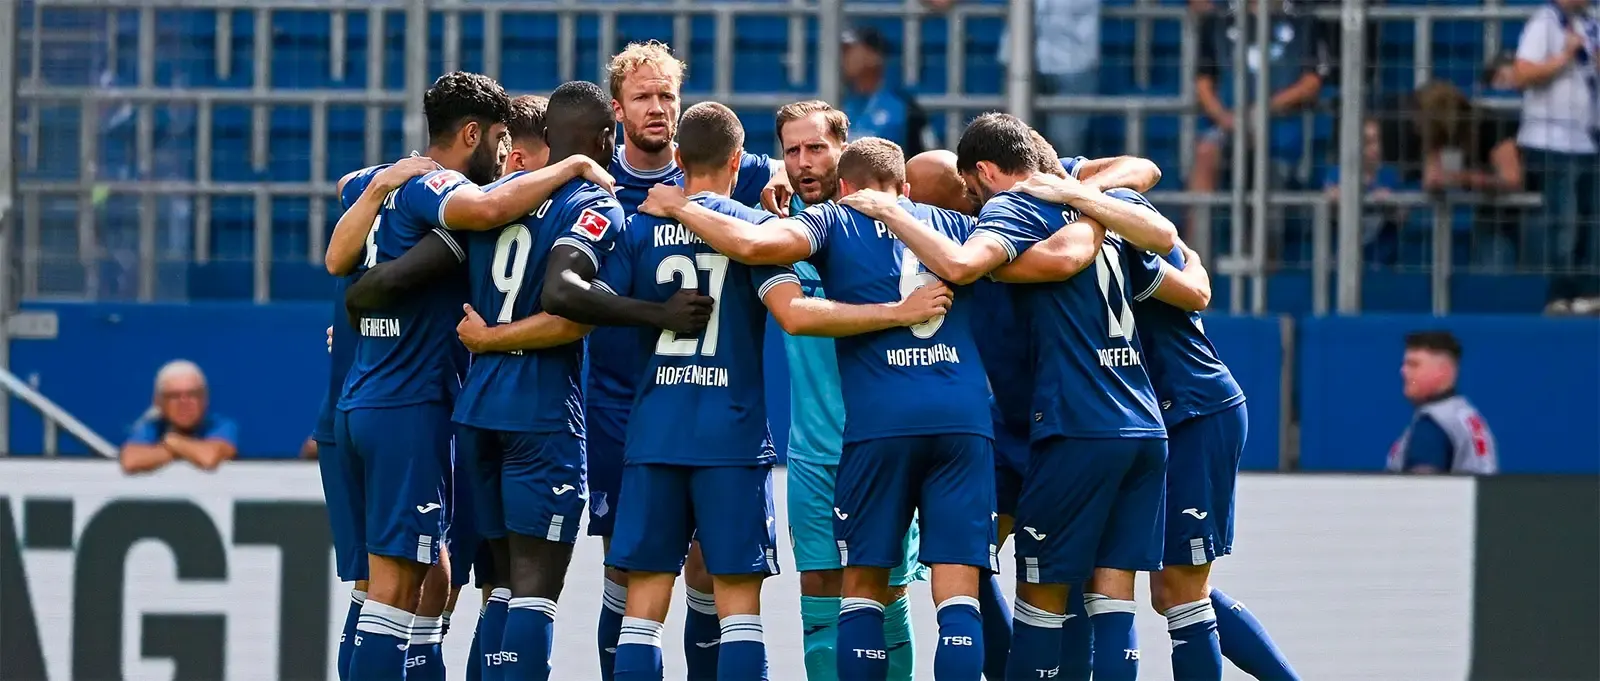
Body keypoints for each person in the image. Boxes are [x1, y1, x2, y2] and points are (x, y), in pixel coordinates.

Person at [650, 136, 999, 681]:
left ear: (844, 185)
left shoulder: (833, 220)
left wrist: (681, 206)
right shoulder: (955, 226)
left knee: (861, 588)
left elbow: (755, 245)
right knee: (958, 595)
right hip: (963, 419)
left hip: (880, 422)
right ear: (905, 188)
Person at [844, 112, 1166, 681]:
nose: (963, 201)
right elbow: (1160, 226)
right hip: (1117, 416)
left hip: (1067, 422)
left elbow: (991, 262)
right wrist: (1085, 204)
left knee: (1040, 589)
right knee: (1090, 588)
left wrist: (895, 214)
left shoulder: (1009, 211)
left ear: (984, 174)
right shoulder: (1073, 195)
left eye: (962, 189)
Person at [587, 41, 789, 681]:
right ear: (618, 109)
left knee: (646, 590)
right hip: (676, 415)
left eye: (666, 96)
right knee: (725, 601)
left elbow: (586, 298)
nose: (656, 107)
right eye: (643, 96)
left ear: (680, 147)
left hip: (655, 417)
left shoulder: (635, 224)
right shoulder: (755, 231)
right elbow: (795, 308)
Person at [769, 100, 929, 681]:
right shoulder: (779, 229)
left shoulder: (897, 227)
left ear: (845, 150)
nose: (803, 162)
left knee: (888, 593)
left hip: (884, 444)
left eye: (817, 148)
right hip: (813, 453)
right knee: (818, 591)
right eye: (791, 151)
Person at [309, 153, 434, 681]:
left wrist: (383, 178)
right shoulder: (444, 208)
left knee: (379, 586)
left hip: (349, 412)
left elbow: (344, 182)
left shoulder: (373, 197)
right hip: (390, 412)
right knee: (399, 583)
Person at [1511, 0, 1600, 313]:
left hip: (1588, 139)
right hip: (1551, 139)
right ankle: (1559, 295)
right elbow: (1520, 74)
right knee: (1566, 220)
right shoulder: (1545, 21)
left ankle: (1590, 293)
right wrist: (1564, 57)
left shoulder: (1592, 20)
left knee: (1592, 221)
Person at [1389, 330, 1499, 475]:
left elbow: (1422, 485)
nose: (1403, 371)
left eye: (1414, 364)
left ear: (1444, 370)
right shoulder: (1467, 415)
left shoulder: (1433, 424)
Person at [119, 359, 238, 474]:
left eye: (192, 394)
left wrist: (172, 441)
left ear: (204, 399)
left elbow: (208, 458)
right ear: (159, 402)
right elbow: (131, 461)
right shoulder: (153, 427)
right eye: (174, 396)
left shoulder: (220, 425)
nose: (184, 403)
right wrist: (182, 450)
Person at [839, 27, 936, 156]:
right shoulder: (838, 103)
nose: (844, 58)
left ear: (874, 56)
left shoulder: (903, 107)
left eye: (850, 50)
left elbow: (926, 155)